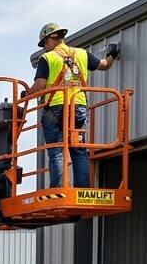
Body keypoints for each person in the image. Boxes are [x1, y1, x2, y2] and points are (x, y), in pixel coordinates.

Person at [26, 23, 119, 188]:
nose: (44, 48)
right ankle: (82, 188)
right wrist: (112, 54)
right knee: (79, 150)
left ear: (50, 39)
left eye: (44, 44)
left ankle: (59, 188)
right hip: (78, 108)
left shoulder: (47, 58)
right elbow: (104, 65)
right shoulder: (81, 54)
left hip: (55, 108)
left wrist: (25, 95)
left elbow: (40, 85)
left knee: (56, 152)